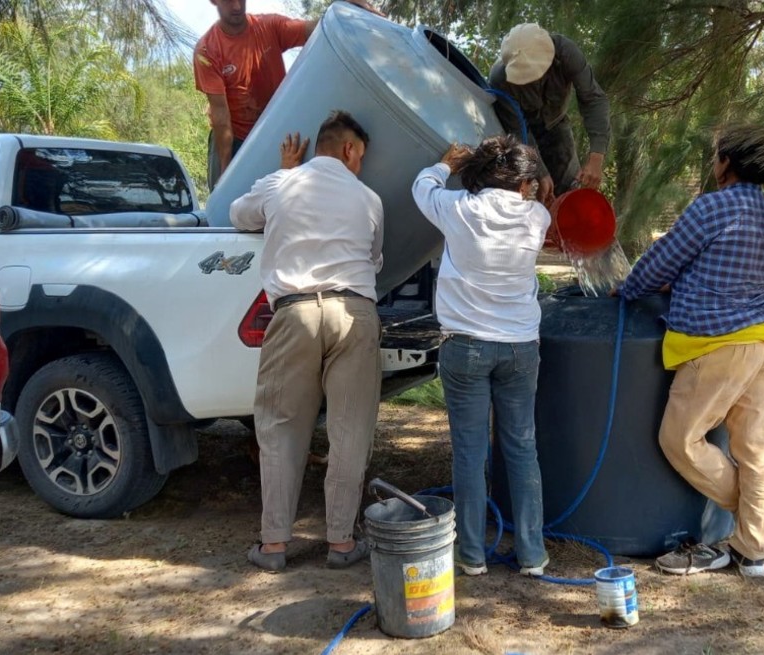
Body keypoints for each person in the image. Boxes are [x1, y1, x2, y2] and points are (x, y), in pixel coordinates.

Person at [617, 125, 764, 578]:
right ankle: (753, 551)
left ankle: (751, 511)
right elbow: (719, 269)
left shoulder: (712, 206)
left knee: (681, 439)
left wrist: (627, 289)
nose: (714, 165)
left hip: (719, 344)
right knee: (756, 450)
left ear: (727, 164)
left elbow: (661, 261)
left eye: (717, 158)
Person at [230, 110, 383, 571]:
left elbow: (238, 215)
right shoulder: (370, 198)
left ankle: (274, 545)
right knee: (350, 431)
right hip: (354, 313)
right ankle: (340, 543)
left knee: (280, 427)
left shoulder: (282, 183)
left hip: (293, 312)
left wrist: (283, 173)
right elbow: (375, 260)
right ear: (350, 151)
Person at [411, 136, 552, 577]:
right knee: (522, 447)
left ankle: (472, 556)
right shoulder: (538, 216)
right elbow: (533, 197)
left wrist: (443, 164)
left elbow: (420, 188)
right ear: (523, 182)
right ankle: (532, 554)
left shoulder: (458, 209)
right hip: (520, 347)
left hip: (466, 345)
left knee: (469, 453)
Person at [194, 0, 381, 189]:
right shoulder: (207, 50)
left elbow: (312, 29)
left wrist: (344, 7)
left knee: (272, 194)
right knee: (221, 197)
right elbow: (220, 116)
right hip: (233, 138)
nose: (236, 7)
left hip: (271, 134)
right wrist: (226, 170)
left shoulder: (269, 27)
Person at [489, 23, 610, 203]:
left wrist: (596, 157)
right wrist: (541, 173)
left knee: (569, 189)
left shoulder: (566, 53)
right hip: (520, 134)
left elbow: (593, 99)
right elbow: (518, 131)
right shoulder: (500, 79)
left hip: (556, 125)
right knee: (510, 193)